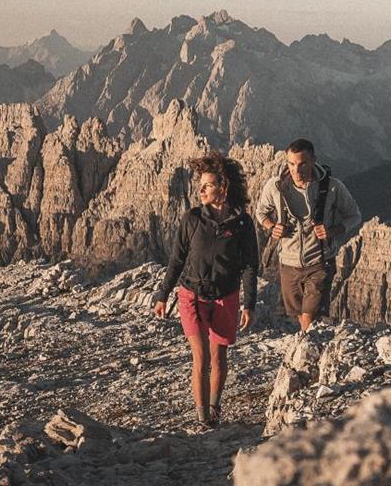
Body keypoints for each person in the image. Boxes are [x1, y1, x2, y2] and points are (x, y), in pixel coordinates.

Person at [150, 152, 258, 428]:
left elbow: (249, 265)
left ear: (224, 188)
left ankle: (214, 406)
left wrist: (250, 304)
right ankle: (203, 418)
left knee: (219, 354)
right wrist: (162, 294)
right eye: (201, 183)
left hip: (226, 295)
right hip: (191, 294)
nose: (201, 189)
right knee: (201, 355)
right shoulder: (193, 218)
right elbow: (177, 259)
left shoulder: (242, 223)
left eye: (208, 185)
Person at [252, 138, 363, 333]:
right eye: (291, 163)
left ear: (313, 161)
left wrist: (332, 231)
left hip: (320, 261)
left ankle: (305, 354)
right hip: (288, 262)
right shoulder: (275, 186)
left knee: (309, 318)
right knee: (299, 315)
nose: (296, 169)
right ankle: (310, 348)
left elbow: (354, 216)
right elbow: (261, 213)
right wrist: (272, 226)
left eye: (302, 163)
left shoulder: (333, 187)